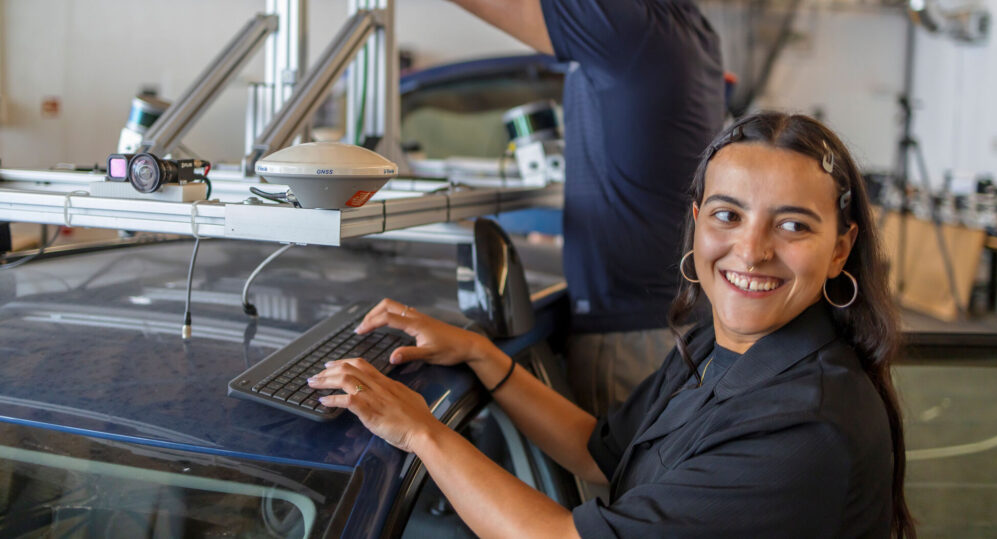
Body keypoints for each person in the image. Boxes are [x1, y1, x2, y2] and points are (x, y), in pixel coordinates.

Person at [308, 112, 916, 538]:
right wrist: (480, 357)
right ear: (698, 220)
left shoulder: (806, 430)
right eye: (729, 215)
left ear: (841, 249)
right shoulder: (722, 340)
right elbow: (602, 451)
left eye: (793, 226)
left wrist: (420, 433)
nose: (751, 251)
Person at [323, 0, 730, 414]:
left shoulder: (625, 27)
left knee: (615, 494)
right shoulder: (675, 27)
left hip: (629, 340)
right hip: (659, 325)